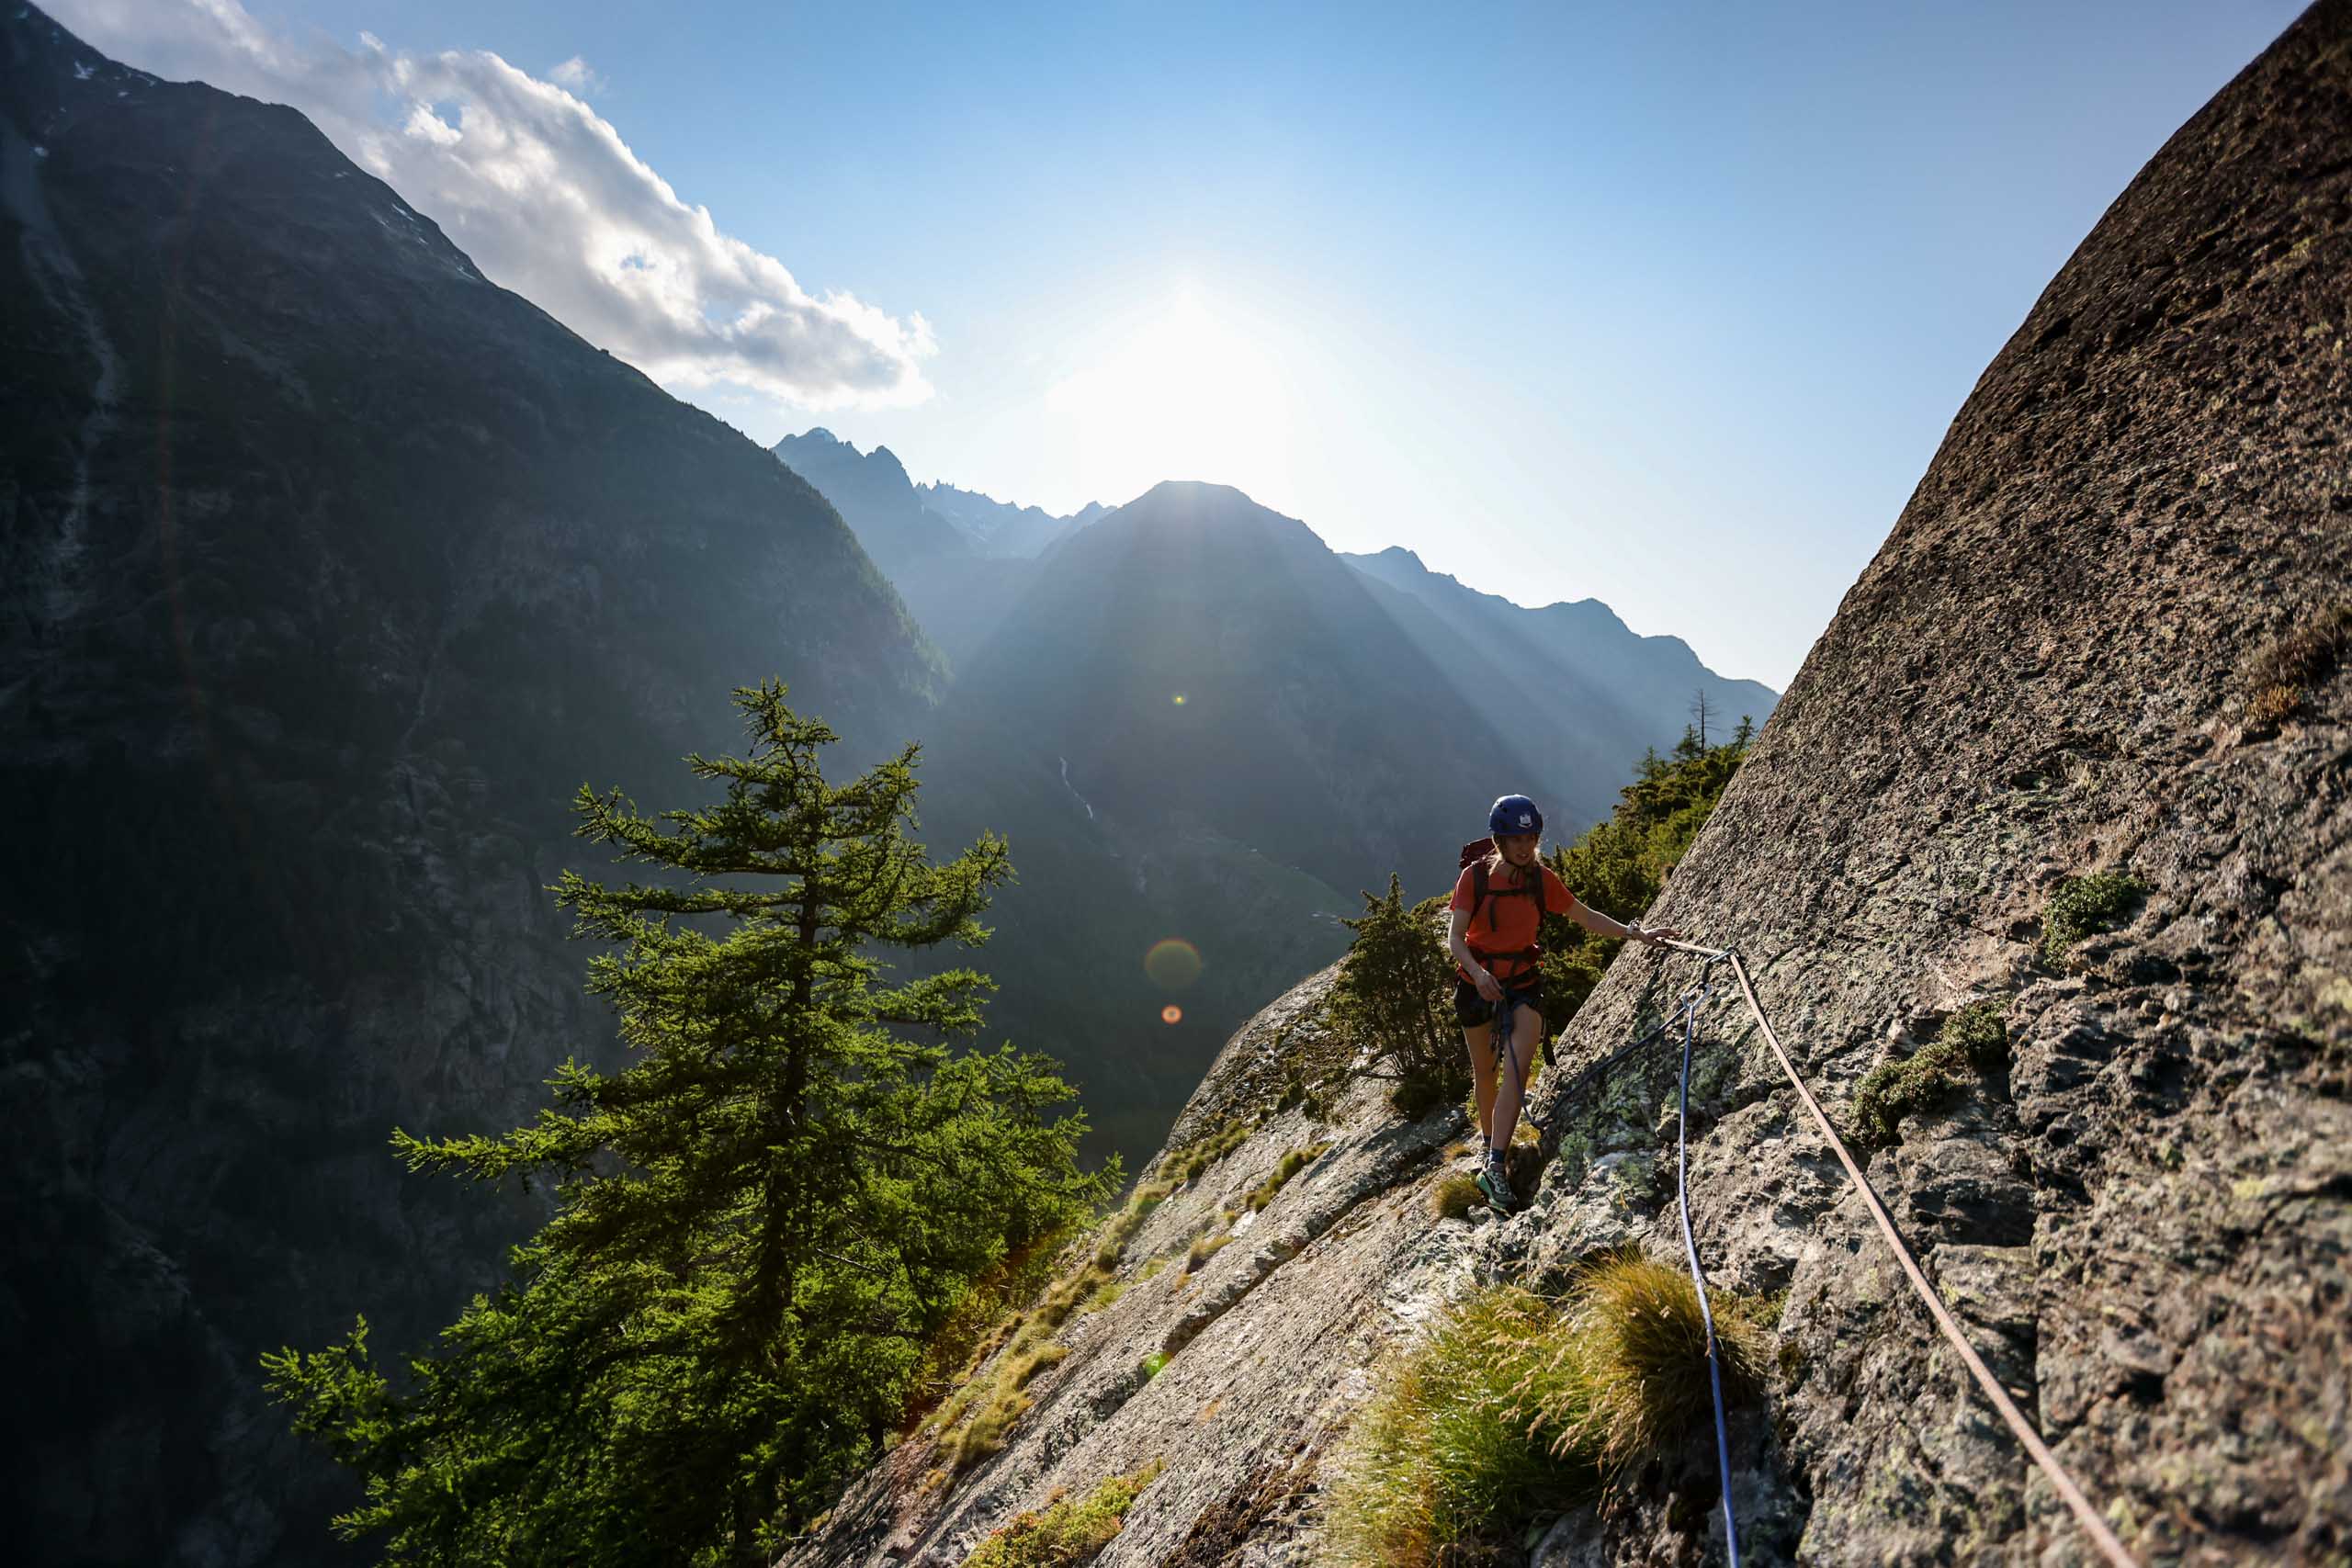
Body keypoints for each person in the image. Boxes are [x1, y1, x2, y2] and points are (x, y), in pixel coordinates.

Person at [1449, 793, 1680, 1213]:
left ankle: (1495, 1165)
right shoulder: (1475, 879)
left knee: (1518, 1069)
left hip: (1521, 983)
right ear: (1499, 841)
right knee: (1485, 1072)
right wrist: (1480, 975)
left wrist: (1636, 934)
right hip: (1475, 983)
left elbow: (1584, 915)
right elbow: (1455, 939)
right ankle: (1489, 1146)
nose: (1524, 846)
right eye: (1515, 839)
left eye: (1531, 838)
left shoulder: (1542, 880)